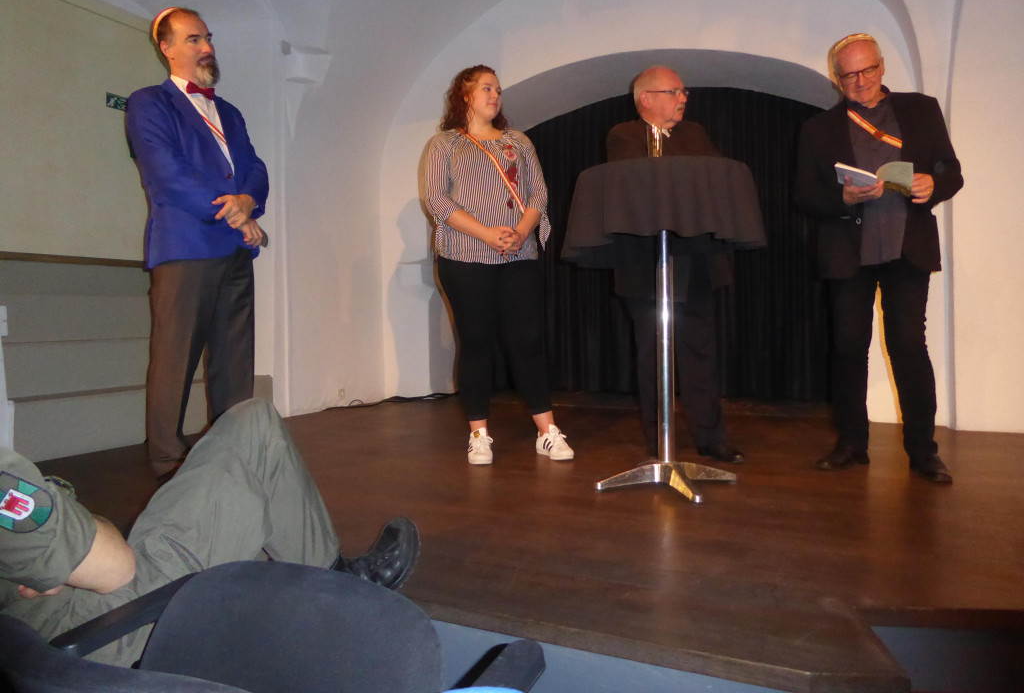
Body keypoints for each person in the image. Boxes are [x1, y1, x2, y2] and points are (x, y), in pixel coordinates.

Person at [0, 398, 420, 667]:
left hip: (31, 633)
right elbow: (115, 566)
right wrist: (73, 533)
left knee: (248, 523)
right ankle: (343, 597)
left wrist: (59, 551)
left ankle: (314, 592)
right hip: (88, 635)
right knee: (254, 426)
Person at [793, 33, 963, 483]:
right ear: (836, 78)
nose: (860, 81)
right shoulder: (818, 129)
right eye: (849, 75)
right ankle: (852, 445)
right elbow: (803, 195)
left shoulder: (921, 109)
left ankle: (923, 452)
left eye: (867, 70)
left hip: (907, 247)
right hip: (848, 252)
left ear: (882, 66)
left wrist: (933, 184)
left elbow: (951, 170)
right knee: (849, 348)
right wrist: (843, 197)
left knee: (909, 346)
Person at [126, 7, 269, 479]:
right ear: (166, 48)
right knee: (175, 360)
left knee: (235, 361)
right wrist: (236, 213)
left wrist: (248, 200)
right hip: (186, 246)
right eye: (193, 39)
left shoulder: (230, 112)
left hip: (234, 249)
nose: (206, 47)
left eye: (208, 38)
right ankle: (168, 464)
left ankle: (234, 457)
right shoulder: (149, 103)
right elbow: (166, 174)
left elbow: (255, 169)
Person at [424, 65, 573, 466]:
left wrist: (522, 231)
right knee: (476, 344)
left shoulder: (518, 141)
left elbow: (538, 194)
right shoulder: (445, 144)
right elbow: (438, 200)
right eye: (486, 88)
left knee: (527, 342)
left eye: (498, 90)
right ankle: (479, 435)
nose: (495, 95)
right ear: (465, 96)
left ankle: (547, 431)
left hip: (518, 256)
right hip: (465, 258)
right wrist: (487, 234)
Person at [605, 66, 743, 463]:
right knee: (652, 354)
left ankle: (710, 437)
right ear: (646, 98)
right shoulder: (624, 135)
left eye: (684, 92)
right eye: (674, 92)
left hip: (695, 258)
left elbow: (717, 180)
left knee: (701, 352)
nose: (683, 99)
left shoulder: (694, 133)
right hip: (647, 263)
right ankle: (659, 436)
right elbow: (634, 188)